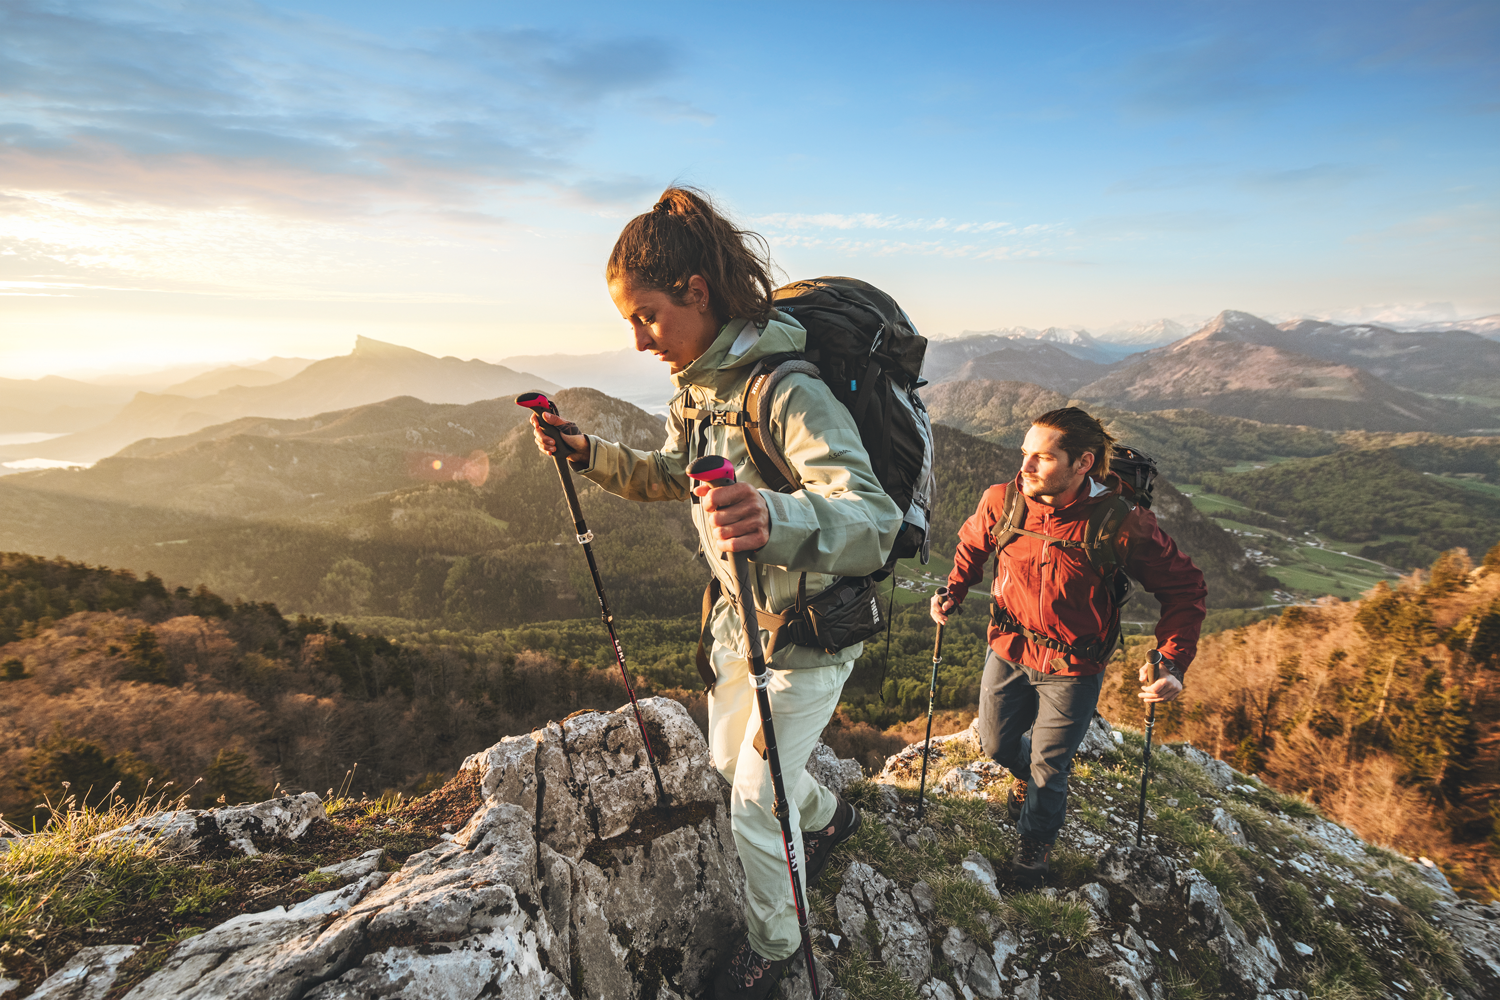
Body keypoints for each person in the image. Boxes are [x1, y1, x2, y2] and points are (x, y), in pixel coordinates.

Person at [529, 187, 902, 999]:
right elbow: (672, 475)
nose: (636, 340)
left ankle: (776, 948)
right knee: (736, 763)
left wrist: (768, 512)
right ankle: (829, 819)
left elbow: (871, 516)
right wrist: (587, 451)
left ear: (697, 292)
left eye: (647, 316)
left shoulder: (787, 391)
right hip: (744, 628)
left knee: (754, 804)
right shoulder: (701, 391)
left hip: (810, 635)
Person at [931, 406, 1206, 886]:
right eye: (1024, 455)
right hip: (1010, 647)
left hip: (1075, 664)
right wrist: (953, 589)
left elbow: (1185, 589)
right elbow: (974, 544)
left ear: (1083, 463)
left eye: (1042, 458)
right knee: (995, 744)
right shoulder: (1003, 502)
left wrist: (1172, 661)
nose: (1026, 467)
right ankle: (1032, 782)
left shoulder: (1121, 524)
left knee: (1049, 766)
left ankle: (1033, 849)